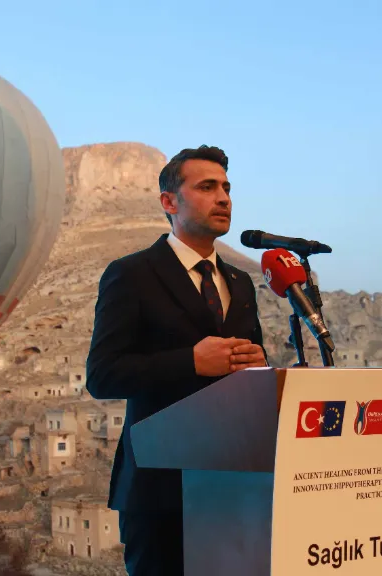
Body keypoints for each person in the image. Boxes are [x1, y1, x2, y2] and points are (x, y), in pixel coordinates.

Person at [86, 145, 268, 576]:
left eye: (226, 188)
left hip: (232, 486)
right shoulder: (131, 274)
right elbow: (103, 375)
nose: (223, 198)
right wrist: (191, 362)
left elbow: (245, 374)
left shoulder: (241, 283)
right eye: (207, 187)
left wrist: (259, 365)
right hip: (160, 491)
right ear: (169, 202)